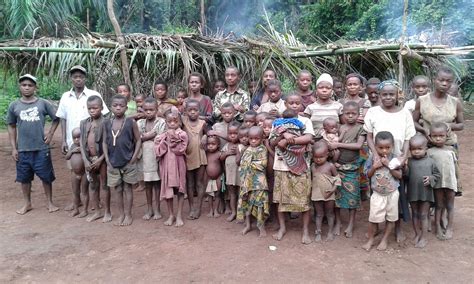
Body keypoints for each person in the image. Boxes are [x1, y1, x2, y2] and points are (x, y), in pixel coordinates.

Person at [364, 80, 416, 242]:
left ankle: (398, 228)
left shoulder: (405, 113)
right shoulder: (373, 112)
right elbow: (369, 136)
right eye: (384, 94)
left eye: (391, 94)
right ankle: (377, 227)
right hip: (378, 157)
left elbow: (408, 138)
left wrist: (403, 157)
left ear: (397, 95)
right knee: (378, 191)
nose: (388, 97)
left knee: (398, 193)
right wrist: (375, 155)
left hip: (397, 158)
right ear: (379, 95)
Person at [56, 65, 109, 211]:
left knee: (93, 173)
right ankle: (77, 201)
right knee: (75, 170)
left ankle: (95, 202)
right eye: (75, 77)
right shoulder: (65, 96)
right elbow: (63, 118)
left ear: (85, 78)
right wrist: (63, 140)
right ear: (71, 79)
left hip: (91, 142)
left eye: (81, 76)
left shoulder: (93, 94)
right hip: (73, 141)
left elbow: (104, 115)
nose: (78, 79)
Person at [7, 74, 60, 215]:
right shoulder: (14, 105)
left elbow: (56, 118)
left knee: (46, 176)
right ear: (20, 87)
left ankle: (50, 202)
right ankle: (27, 203)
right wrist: (14, 148)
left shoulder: (43, 103)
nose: (27, 88)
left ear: (35, 87)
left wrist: (50, 134)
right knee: (24, 178)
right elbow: (11, 126)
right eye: (24, 85)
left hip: (41, 148)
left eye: (30, 85)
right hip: (23, 149)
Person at [270, 94, 314, 244]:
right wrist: (279, 139)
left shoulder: (305, 121)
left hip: (301, 164)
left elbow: (308, 138)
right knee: (281, 199)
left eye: (297, 103)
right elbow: (271, 142)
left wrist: (289, 140)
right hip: (281, 165)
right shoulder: (277, 122)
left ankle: (305, 231)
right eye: (291, 103)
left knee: (304, 200)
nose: (294, 105)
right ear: (285, 104)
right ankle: (282, 228)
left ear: (301, 105)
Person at [413, 67, 464, 195]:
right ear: (434, 80)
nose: (445, 83)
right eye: (441, 80)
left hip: (448, 145)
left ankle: (444, 209)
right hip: (427, 144)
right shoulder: (422, 100)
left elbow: (461, 125)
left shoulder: (455, 102)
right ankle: (429, 205)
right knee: (428, 176)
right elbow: (413, 122)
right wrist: (425, 131)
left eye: (448, 81)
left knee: (447, 180)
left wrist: (447, 125)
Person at [329, 101, 366, 238]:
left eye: (353, 113)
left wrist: (338, 143)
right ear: (342, 114)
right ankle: (338, 222)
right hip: (338, 166)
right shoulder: (339, 127)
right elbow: (332, 143)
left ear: (358, 114)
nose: (350, 116)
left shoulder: (361, 128)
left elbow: (358, 146)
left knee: (353, 197)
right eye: (347, 113)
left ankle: (351, 224)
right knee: (336, 196)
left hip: (352, 167)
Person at [103, 95, 141, 226]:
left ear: (126, 107)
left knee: (127, 189)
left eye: (121, 105)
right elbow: (103, 142)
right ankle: (121, 214)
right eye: (115, 105)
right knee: (117, 189)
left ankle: (129, 214)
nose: (118, 108)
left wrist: (134, 157)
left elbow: (138, 140)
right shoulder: (107, 123)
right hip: (113, 162)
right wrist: (107, 159)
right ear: (110, 107)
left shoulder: (131, 122)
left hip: (128, 162)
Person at [362, 131, 403, 251]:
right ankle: (370, 240)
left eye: (387, 147)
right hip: (378, 194)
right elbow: (367, 175)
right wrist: (374, 167)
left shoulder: (395, 159)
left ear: (393, 146)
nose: (384, 150)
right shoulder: (372, 158)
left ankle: (384, 240)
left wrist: (389, 165)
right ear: (375, 147)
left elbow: (399, 175)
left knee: (391, 218)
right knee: (373, 218)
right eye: (380, 148)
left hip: (392, 194)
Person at [155, 110, 188, 227]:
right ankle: (171, 215)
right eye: (170, 121)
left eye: (175, 121)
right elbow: (158, 151)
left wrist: (171, 137)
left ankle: (179, 215)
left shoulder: (183, 135)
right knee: (167, 190)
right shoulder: (162, 136)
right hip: (166, 166)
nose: (173, 123)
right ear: (166, 122)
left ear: (180, 122)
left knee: (180, 190)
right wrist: (164, 140)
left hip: (179, 165)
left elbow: (180, 150)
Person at [405, 135, 440, 248]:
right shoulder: (409, 162)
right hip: (413, 192)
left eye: (419, 149)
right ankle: (417, 234)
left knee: (424, 215)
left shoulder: (431, 162)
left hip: (426, 193)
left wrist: (430, 178)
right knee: (414, 214)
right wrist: (405, 169)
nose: (416, 151)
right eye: (413, 149)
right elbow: (406, 176)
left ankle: (424, 237)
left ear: (426, 149)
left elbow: (437, 175)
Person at [237, 126, 270, 237]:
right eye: (251, 138)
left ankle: (261, 226)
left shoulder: (263, 149)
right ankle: (248, 225)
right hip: (246, 183)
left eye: (256, 138)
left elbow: (262, 165)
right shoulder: (246, 149)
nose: (253, 141)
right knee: (246, 204)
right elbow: (241, 164)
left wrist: (248, 165)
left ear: (262, 138)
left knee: (260, 205)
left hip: (259, 183)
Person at [79, 95, 108, 222]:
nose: (92, 110)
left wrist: (101, 159)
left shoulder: (106, 122)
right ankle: (97, 211)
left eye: (95, 108)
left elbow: (109, 143)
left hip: (103, 159)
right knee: (92, 185)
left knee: (105, 185)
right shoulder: (84, 123)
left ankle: (107, 211)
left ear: (101, 108)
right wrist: (85, 160)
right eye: (90, 108)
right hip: (89, 159)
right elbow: (81, 141)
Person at [427, 122, 458, 240]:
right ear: (430, 136)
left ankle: (449, 228)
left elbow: (456, 168)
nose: (438, 138)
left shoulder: (451, 150)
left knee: (450, 205)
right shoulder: (429, 152)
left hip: (450, 183)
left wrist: (457, 182)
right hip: (437, 183)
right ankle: (438, 228)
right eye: (435, 136)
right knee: (439, 205)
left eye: (441, 135)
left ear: (447, 135)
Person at [137, 98, 166, 221]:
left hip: (157, 158)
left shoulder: (161, 122)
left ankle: (158, 208)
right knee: (147, 184)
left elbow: (161, 138)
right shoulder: (140, 123)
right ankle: (149, 209)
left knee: (157, 184)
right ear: (142, 110)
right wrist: (152, 135)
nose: (149, 112)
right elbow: (137, 138)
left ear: (156, 110)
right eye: (146, 110)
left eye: (151, 110)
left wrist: (145, 137)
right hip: (144, 158)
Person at [182, 99, 208, 220]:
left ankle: (198, 207)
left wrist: (206, 136)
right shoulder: (183, 122)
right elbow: (170, 112)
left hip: (200, 155)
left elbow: (209, 133)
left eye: (195, 110)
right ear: (186, 111)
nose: (193, 112)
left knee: (199, 182)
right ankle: (191, 206)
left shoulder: (203, 123)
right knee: (190, 183)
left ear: (199, 111)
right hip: (188, 155)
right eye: (190, 110)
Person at [311, 141, 341, 242]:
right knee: (319, 214)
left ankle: (330, 232)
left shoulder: (330, 166)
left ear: (327, 155)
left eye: (321, 157)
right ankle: (318, 232)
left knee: (330, 213)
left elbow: (337, 179)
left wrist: (333, 190)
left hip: (330, 194)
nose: (318, 159)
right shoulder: (312, 166)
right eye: (316, 157)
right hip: (316, 194)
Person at [304, 73, 343, 139]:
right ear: (316, 91)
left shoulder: (339, 106)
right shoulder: (310, 108)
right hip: (315, 141)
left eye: (328, 88)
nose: (324, 90)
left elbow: (344, 125)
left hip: (334, 141)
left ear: (332, 91)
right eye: (321, 87)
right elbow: (305, 127)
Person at [220, 121, 241, 222]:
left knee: (241, 194)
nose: (232, 135)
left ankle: (241, 213)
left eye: (235, 133)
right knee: (232, 194)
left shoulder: (242, 145)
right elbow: (221, 157)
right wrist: (227, 153)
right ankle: (233, 212)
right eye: (230, 133)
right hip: (230, 175)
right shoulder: (227, 145)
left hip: (241, 176)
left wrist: (238, 152)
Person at [65, 128, 88, 218]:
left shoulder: (85, 146)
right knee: (75, 192)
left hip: (84, 173)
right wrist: (72, 151)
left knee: (84, 192)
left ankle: (85, 210)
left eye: (79, 137)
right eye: (74, 138)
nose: (77, 140)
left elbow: (89, 156)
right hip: (74, 173)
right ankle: (76, 209)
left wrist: (82, 150)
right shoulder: (72, 146)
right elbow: (67, 157)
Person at [205, 135, 222, 218]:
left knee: (217, 194)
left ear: (218, 145)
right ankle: (210, 210)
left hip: (218, 177)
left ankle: (216, 210)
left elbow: (222, 166)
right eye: (208, 144)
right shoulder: (206, 153)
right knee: (210, 195)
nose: (210, 145)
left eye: (213, 144)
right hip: (208, 178)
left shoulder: (219, 154)